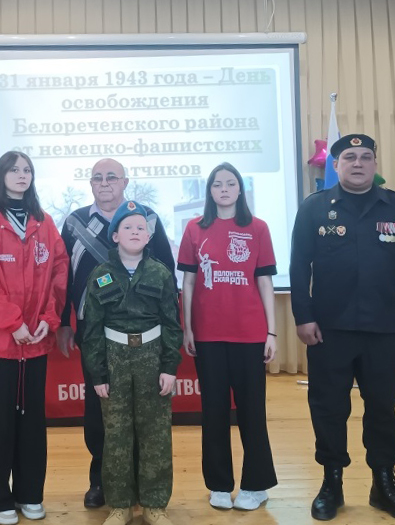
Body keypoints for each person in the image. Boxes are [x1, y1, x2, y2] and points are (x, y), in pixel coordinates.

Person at [290, 134, 395, 524]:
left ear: (375, 164)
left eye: (366, 157)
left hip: (383, 329)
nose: (358, 163)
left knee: (383, 410)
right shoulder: (314, 209)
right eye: (349, 157)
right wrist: (302, 317)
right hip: (329, 330)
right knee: (328, 408)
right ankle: (332, 482)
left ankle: (384, 485)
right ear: (335, 166)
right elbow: (298, 266)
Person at [57, 158, 175, 508]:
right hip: (97, 336)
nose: (105, 183)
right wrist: (64, 321)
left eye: (112, 177)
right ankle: (101, 481)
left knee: (145, 415)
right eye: (98, 178)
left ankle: (142, 484)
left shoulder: (148, 219)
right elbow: (61, 277)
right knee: (100, 410)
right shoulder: (75, 222)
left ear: (125, 182)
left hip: (147, 340)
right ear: (90, 184)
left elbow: (166, 271)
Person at [0, 151, 69, 525]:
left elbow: (59, 273)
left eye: (27, 170)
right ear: (2, 175)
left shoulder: (44, 222)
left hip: (36, 342)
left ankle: (30, 494)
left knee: (31, 422)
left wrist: (48, 318)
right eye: (14, 170)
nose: (21, 175)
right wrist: (13, 323)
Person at [177, 162, 279, 511]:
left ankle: (257, 484)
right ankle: (219, 484)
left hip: (249, 334)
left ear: (239, 190)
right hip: (207, 335)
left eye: (230, 183)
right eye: (217, 184)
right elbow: (188, 283)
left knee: (252, 411)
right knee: (214, 411)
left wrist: (271, 331)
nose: (223, 189)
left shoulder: (258, 228)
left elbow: (264, 281)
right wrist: (188, 327)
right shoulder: (194, 229)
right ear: (209, 191)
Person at [82, 201, 182, 525]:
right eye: (127, 227)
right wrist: (97, 372)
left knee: (155, 432)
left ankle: (154, 503)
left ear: (149, 235)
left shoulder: (161, 273)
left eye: (141, 227)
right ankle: (120, 504)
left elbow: (172, 323)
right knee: (116, 433)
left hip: (152, 357)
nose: (135, 232)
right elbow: (92, 330)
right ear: (115, 236)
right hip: (115, 358)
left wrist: (169, 367)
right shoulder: (99, 276)